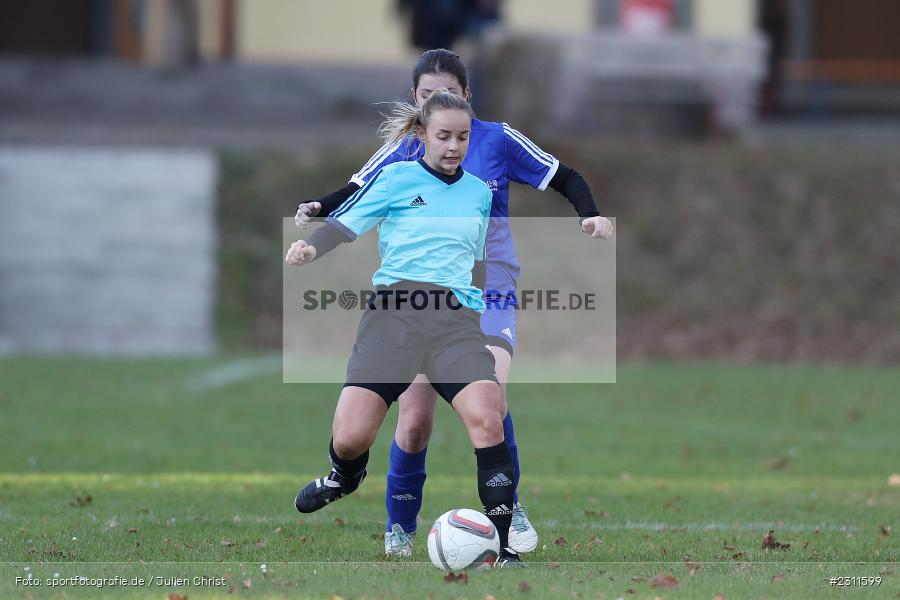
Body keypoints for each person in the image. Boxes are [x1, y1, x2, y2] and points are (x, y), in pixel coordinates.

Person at [295, 49, 614, 557]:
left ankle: (506, 518)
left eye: (456, 123)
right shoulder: (403, 157)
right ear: (418, 114)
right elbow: (358, 194)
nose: (450, 139)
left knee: (491, 401)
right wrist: (317, 220)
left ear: (467, 98)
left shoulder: (491, 152)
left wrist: (589, 215)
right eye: (426, 103)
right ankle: (396, 523)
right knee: (413, 421)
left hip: (485, 287)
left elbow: (565, 177)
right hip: (407, 306)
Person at [287, 89, 525, 567]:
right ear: (421, 135)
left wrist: (476, 312)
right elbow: (348, 223)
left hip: (454, 324)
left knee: (487, 414)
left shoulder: (481, 192)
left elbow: (475, 261)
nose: (454, 146)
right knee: (352, 437)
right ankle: (343, 476)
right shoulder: (395, 179)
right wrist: (311, 248)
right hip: (392, 320)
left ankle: (501, 545)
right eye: (443, 136)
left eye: (462, 137)